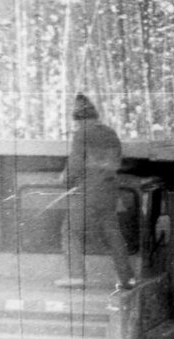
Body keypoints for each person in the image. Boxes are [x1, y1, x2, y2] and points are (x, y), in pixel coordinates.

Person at [56, 93, 135, 290]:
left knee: (70, 230)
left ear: (78, 119)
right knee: (112, 233)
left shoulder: (81, 134)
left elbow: (75, 165)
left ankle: (76, 276)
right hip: (109, 190)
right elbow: (115, 161)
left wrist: (64, 178)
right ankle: (127, 278)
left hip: (88, 191)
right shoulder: (110, 133)